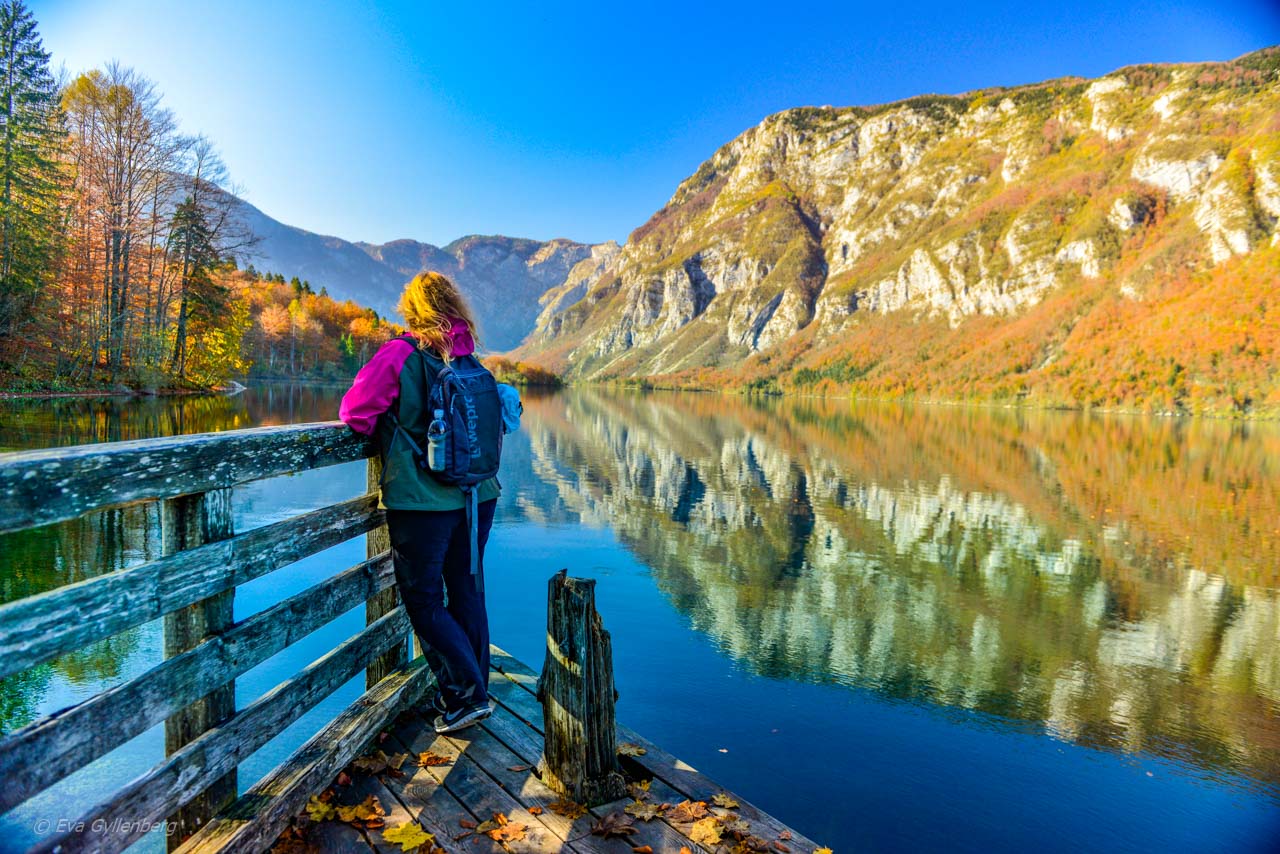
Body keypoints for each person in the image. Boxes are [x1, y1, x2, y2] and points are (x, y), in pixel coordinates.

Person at [339, 271, 500, 734]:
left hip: (423, 501)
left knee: (424, 599)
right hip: (478, 495)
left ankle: (467, 697)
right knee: (467, 590)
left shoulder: (400, 354)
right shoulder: (468, 358)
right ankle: (474, 693)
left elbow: (354, 413)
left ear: (412, 311)